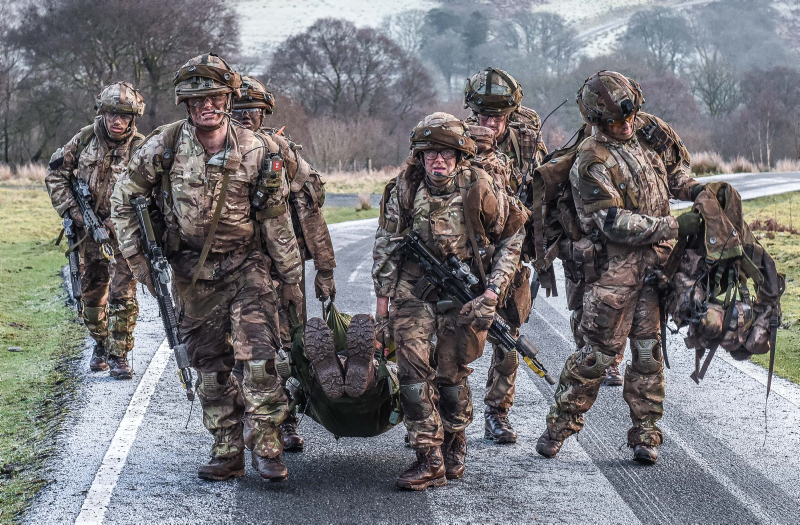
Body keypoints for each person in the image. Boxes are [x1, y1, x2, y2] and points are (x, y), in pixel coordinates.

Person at [111, 53, 304, 482]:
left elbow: (276, 220)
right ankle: (226, 450)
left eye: (216, 98)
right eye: (199, 101)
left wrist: (290, 278)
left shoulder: (257, 150)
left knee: (259, 360)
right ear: (187, 105)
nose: (208, 107)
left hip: (247, 267)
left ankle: (268, 447)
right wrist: (139, 260)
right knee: (211, 367)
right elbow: (122, 200)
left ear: (228, 99)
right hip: (191, 273)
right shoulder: (163, 145)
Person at [536, 71, 702, 465]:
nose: (625, 124)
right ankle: (559, 425)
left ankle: (646, 434)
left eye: (629, 115)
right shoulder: (590, 160)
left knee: (648, 352)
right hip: (613, 272)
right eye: (614, 121)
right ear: (596, 121)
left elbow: (675, 172)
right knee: (595, 355)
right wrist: (675, 226)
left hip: (655, 267)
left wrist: (698, 192)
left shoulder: (648, 131)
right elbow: (609, 222)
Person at [373, 112, 526, 490]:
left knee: (452, 376)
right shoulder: (404, 189)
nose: (437, 161)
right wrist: (382, 310)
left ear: (459, 156)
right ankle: (429, 456)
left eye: (446, 154)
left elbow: (513, 236)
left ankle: (455, 441)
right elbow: (387, 247)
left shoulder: (479, 188)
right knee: (410, 374)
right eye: (430, 154)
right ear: (420, 156)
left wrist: (492, 291)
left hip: (465, 294)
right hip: (413, 290)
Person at [231, 75, 337, 453]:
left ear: (265, 114)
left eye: (253, 112)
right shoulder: (209, 153)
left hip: (283, 269)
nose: (244, 118)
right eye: (237, 111)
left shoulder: (282, 155)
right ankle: (244, 423)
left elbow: (311, 212)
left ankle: (286, 420)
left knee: (290, 349)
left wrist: (325, 270)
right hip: (233, 270)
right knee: (239, 350)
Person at [464, 67, 548, 441]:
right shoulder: (455, 140)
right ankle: (438, 416)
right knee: (449, 339)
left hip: (509, 252)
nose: (490, 123)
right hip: (463, 253)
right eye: (483, 116)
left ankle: (497, 413)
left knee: (508, 340)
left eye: (497, 117)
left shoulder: (526, 143)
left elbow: (544, 193)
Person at [45, 81, 145, 379]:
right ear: (102, 113)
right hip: (87, 232)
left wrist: (122, 223)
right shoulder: (85, 139)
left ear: (132, 118)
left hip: (124, 234)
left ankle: (119, 356)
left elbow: (151, 191)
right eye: (111, 114)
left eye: (123, 116)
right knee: (91, 295)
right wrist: (75, 214)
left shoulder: (141, 148)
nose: (117, 121)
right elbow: (55, 174)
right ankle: (101, 344)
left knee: (122, 294)